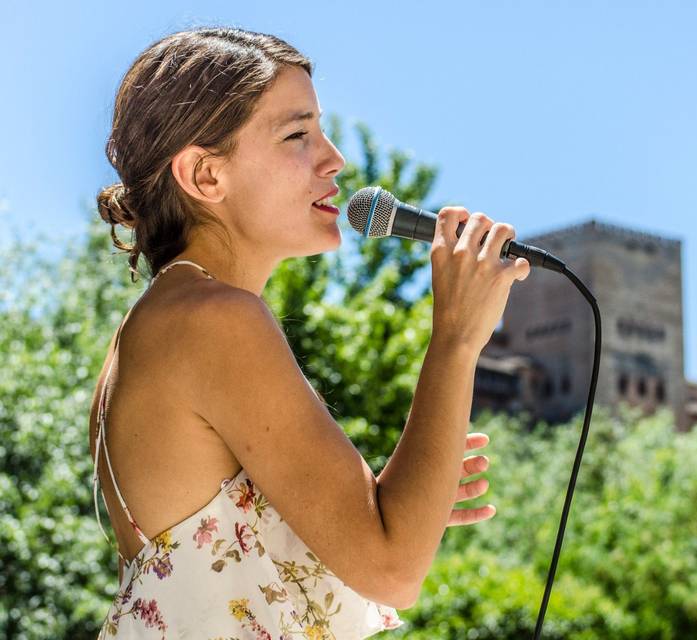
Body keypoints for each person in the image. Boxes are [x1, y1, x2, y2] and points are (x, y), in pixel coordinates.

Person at [90, 26, 530, 638]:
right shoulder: (215, 319)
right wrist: (457, 337)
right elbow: (393, 569)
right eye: (297, 134)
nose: (335, 160)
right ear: (205, 176)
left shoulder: (150, 331)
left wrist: (413, 497)